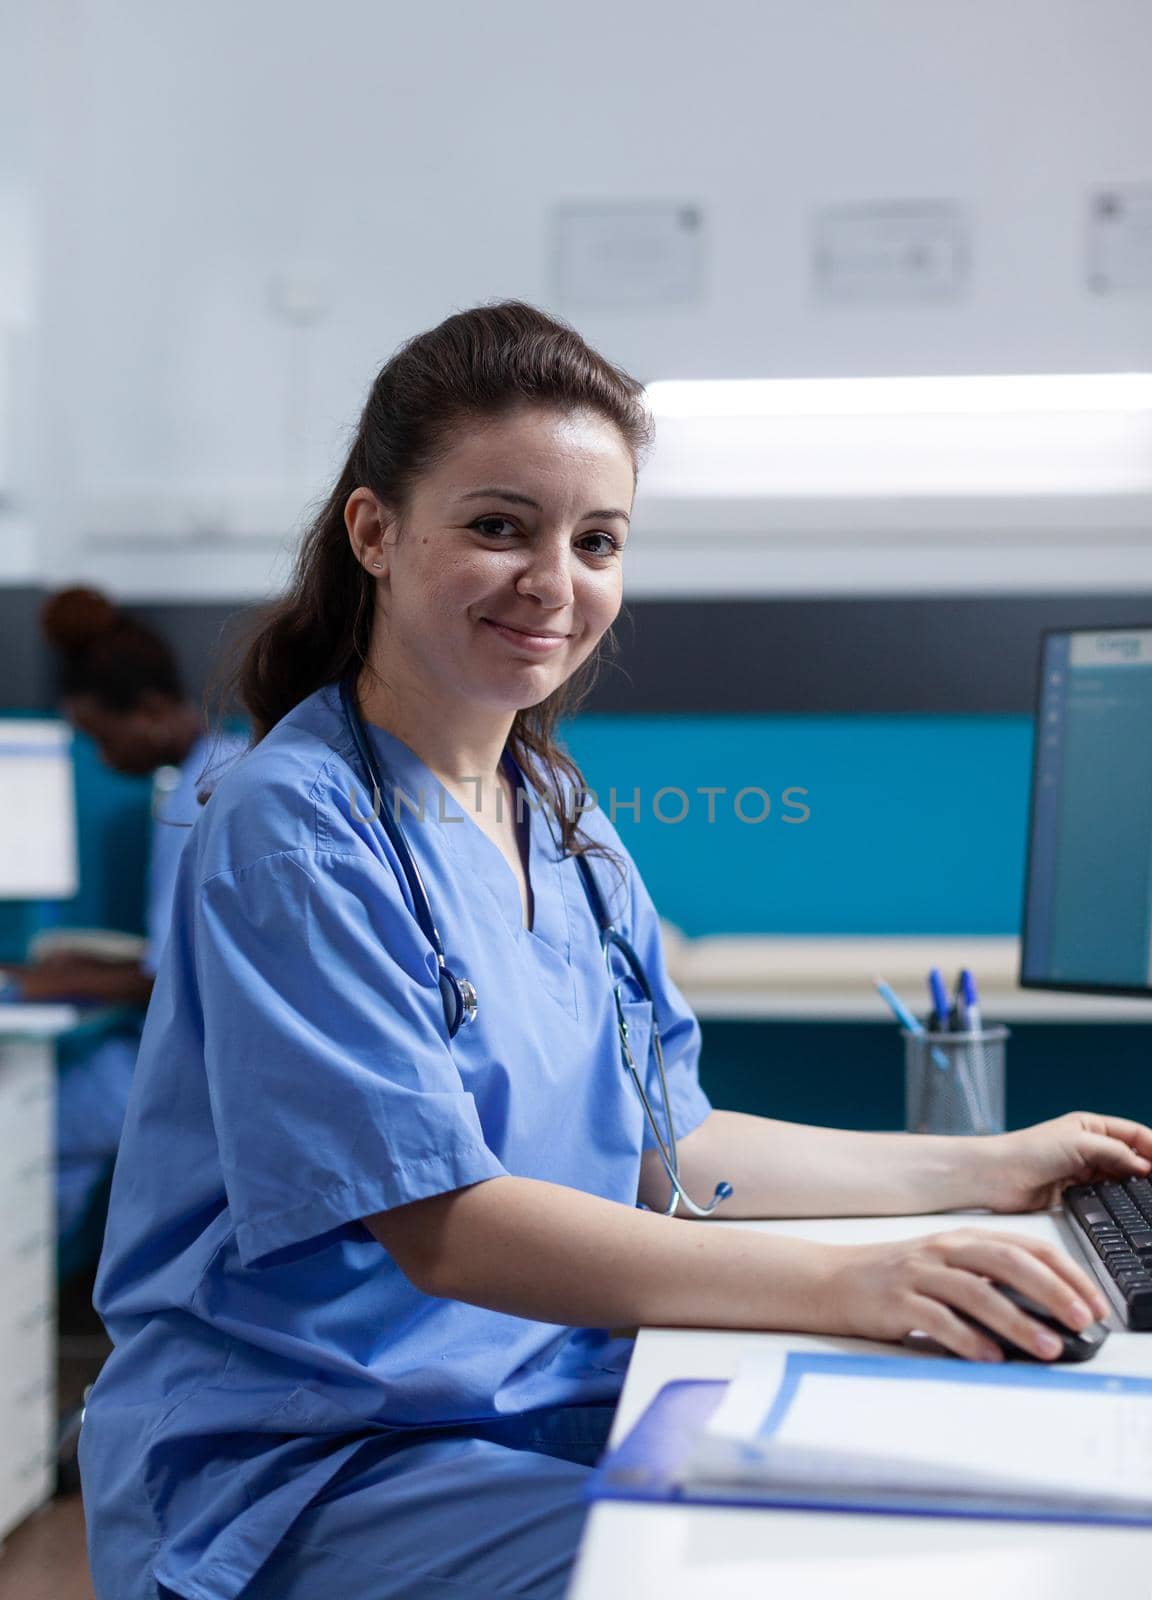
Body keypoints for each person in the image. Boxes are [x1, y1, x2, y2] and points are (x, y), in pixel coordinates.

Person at [80, 301, 1152, 1600]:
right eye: (498, 526)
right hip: (320, 1460)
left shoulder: (560, 818)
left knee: (964, 1514)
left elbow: (668, 1144)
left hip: (543, 1396)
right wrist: (859, 1283)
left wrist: (995, 1167)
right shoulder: (290, 829)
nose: (555, 582)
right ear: (373, 530)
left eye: (598, 541)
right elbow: (446, 1231)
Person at [17, 588, 243, 1260]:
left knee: (34, 1131)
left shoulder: (198, 800)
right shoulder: (214, 769)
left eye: (100, 735)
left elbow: (181, 976)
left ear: (147, 711)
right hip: (196, 1045)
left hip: (202, 1062)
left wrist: (53, 983)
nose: (101, 755)